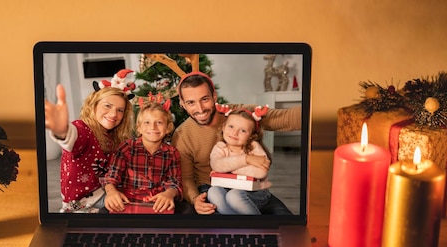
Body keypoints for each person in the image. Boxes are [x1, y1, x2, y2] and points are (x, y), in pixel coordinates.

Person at [171, 72, 300, 215]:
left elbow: (285, 118)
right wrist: (195, 199)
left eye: (205, 99)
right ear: (182, 104)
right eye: (191, 102)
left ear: (214, 96)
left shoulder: (237, 114)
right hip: (211, 190)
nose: (200, 109)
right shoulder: (182, 135)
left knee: (287, 223)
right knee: (226, 229)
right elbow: (186, 178)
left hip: (250, 187)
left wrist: (317, 109)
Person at [45, 70, 135, 213]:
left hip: (106, 192)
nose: (113, 114)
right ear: (94, 105)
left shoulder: (115, 137)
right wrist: (61, 131)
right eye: (107, 106)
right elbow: (72, 137)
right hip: (81, 203)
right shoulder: (83, 129)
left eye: (120, 110)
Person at [103, 97, 183, 213]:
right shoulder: (126, 147)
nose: (153, 127)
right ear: (139, 128)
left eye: (159, 122)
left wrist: (169, 193)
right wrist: (111, 192)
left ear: (168, 128)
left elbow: (175, 181)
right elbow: (112, 175)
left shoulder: (172, 153)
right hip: (127, 201)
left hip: (157, 202)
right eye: (147, 122)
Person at [207, 106, 273, 214]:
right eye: (231, 126)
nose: (235, 132)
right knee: (213, 191)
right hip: (227, 187)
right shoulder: (220, 147)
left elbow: (260, 172)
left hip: (256, 191)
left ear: (251, 135)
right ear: (223, 127)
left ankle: (257, 227)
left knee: (234, 195)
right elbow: (216, 165)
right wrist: (247, 160)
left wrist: (226, 170)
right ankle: (232, 223)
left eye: (243, 130)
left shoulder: (253, 146)